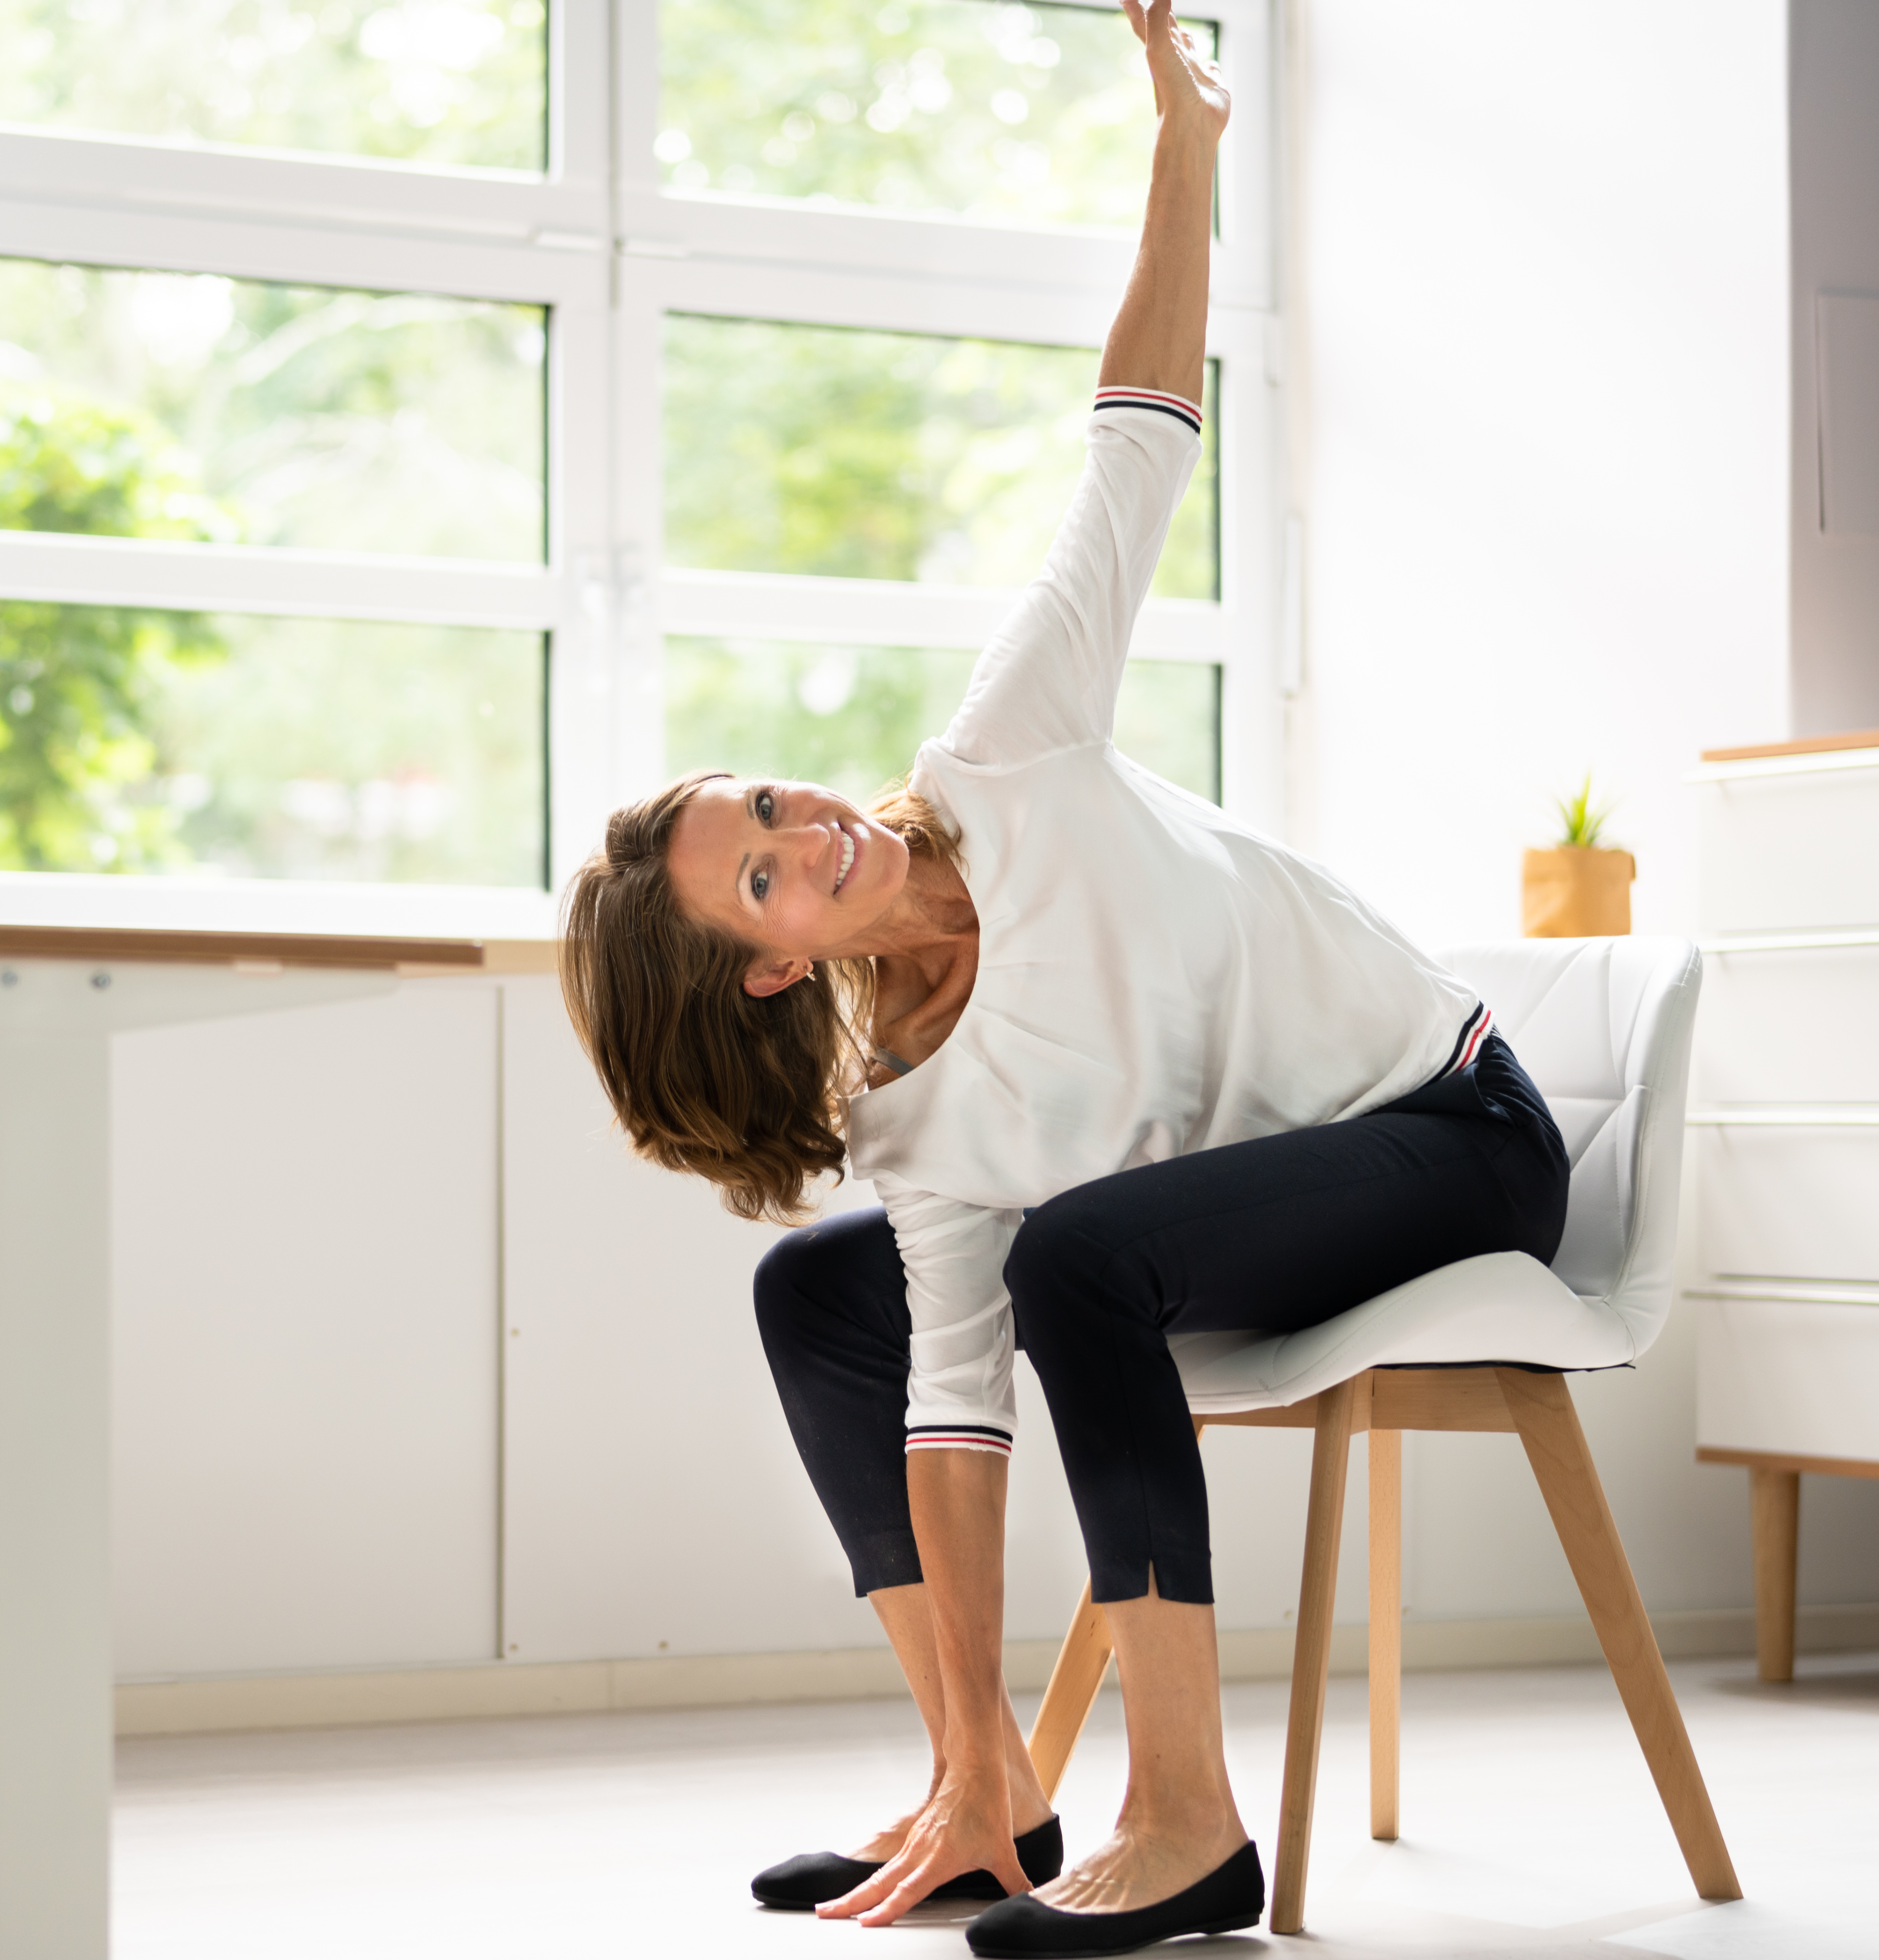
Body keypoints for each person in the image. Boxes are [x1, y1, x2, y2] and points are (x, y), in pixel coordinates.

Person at [555, 7, 1573, 1955]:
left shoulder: (1003, 756)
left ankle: (1185, 1821)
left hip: (1448, 1133)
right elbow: (953, 1419)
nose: (810, 829)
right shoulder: (909, 1115)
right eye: (765, 868)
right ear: (767, 973)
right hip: (1242, 1195)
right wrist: (964, 1730)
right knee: (825, 1295)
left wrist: (1186, 152)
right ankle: (986, 1793)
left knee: (1080, 1258)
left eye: (767, 799)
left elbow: (1134, 446)